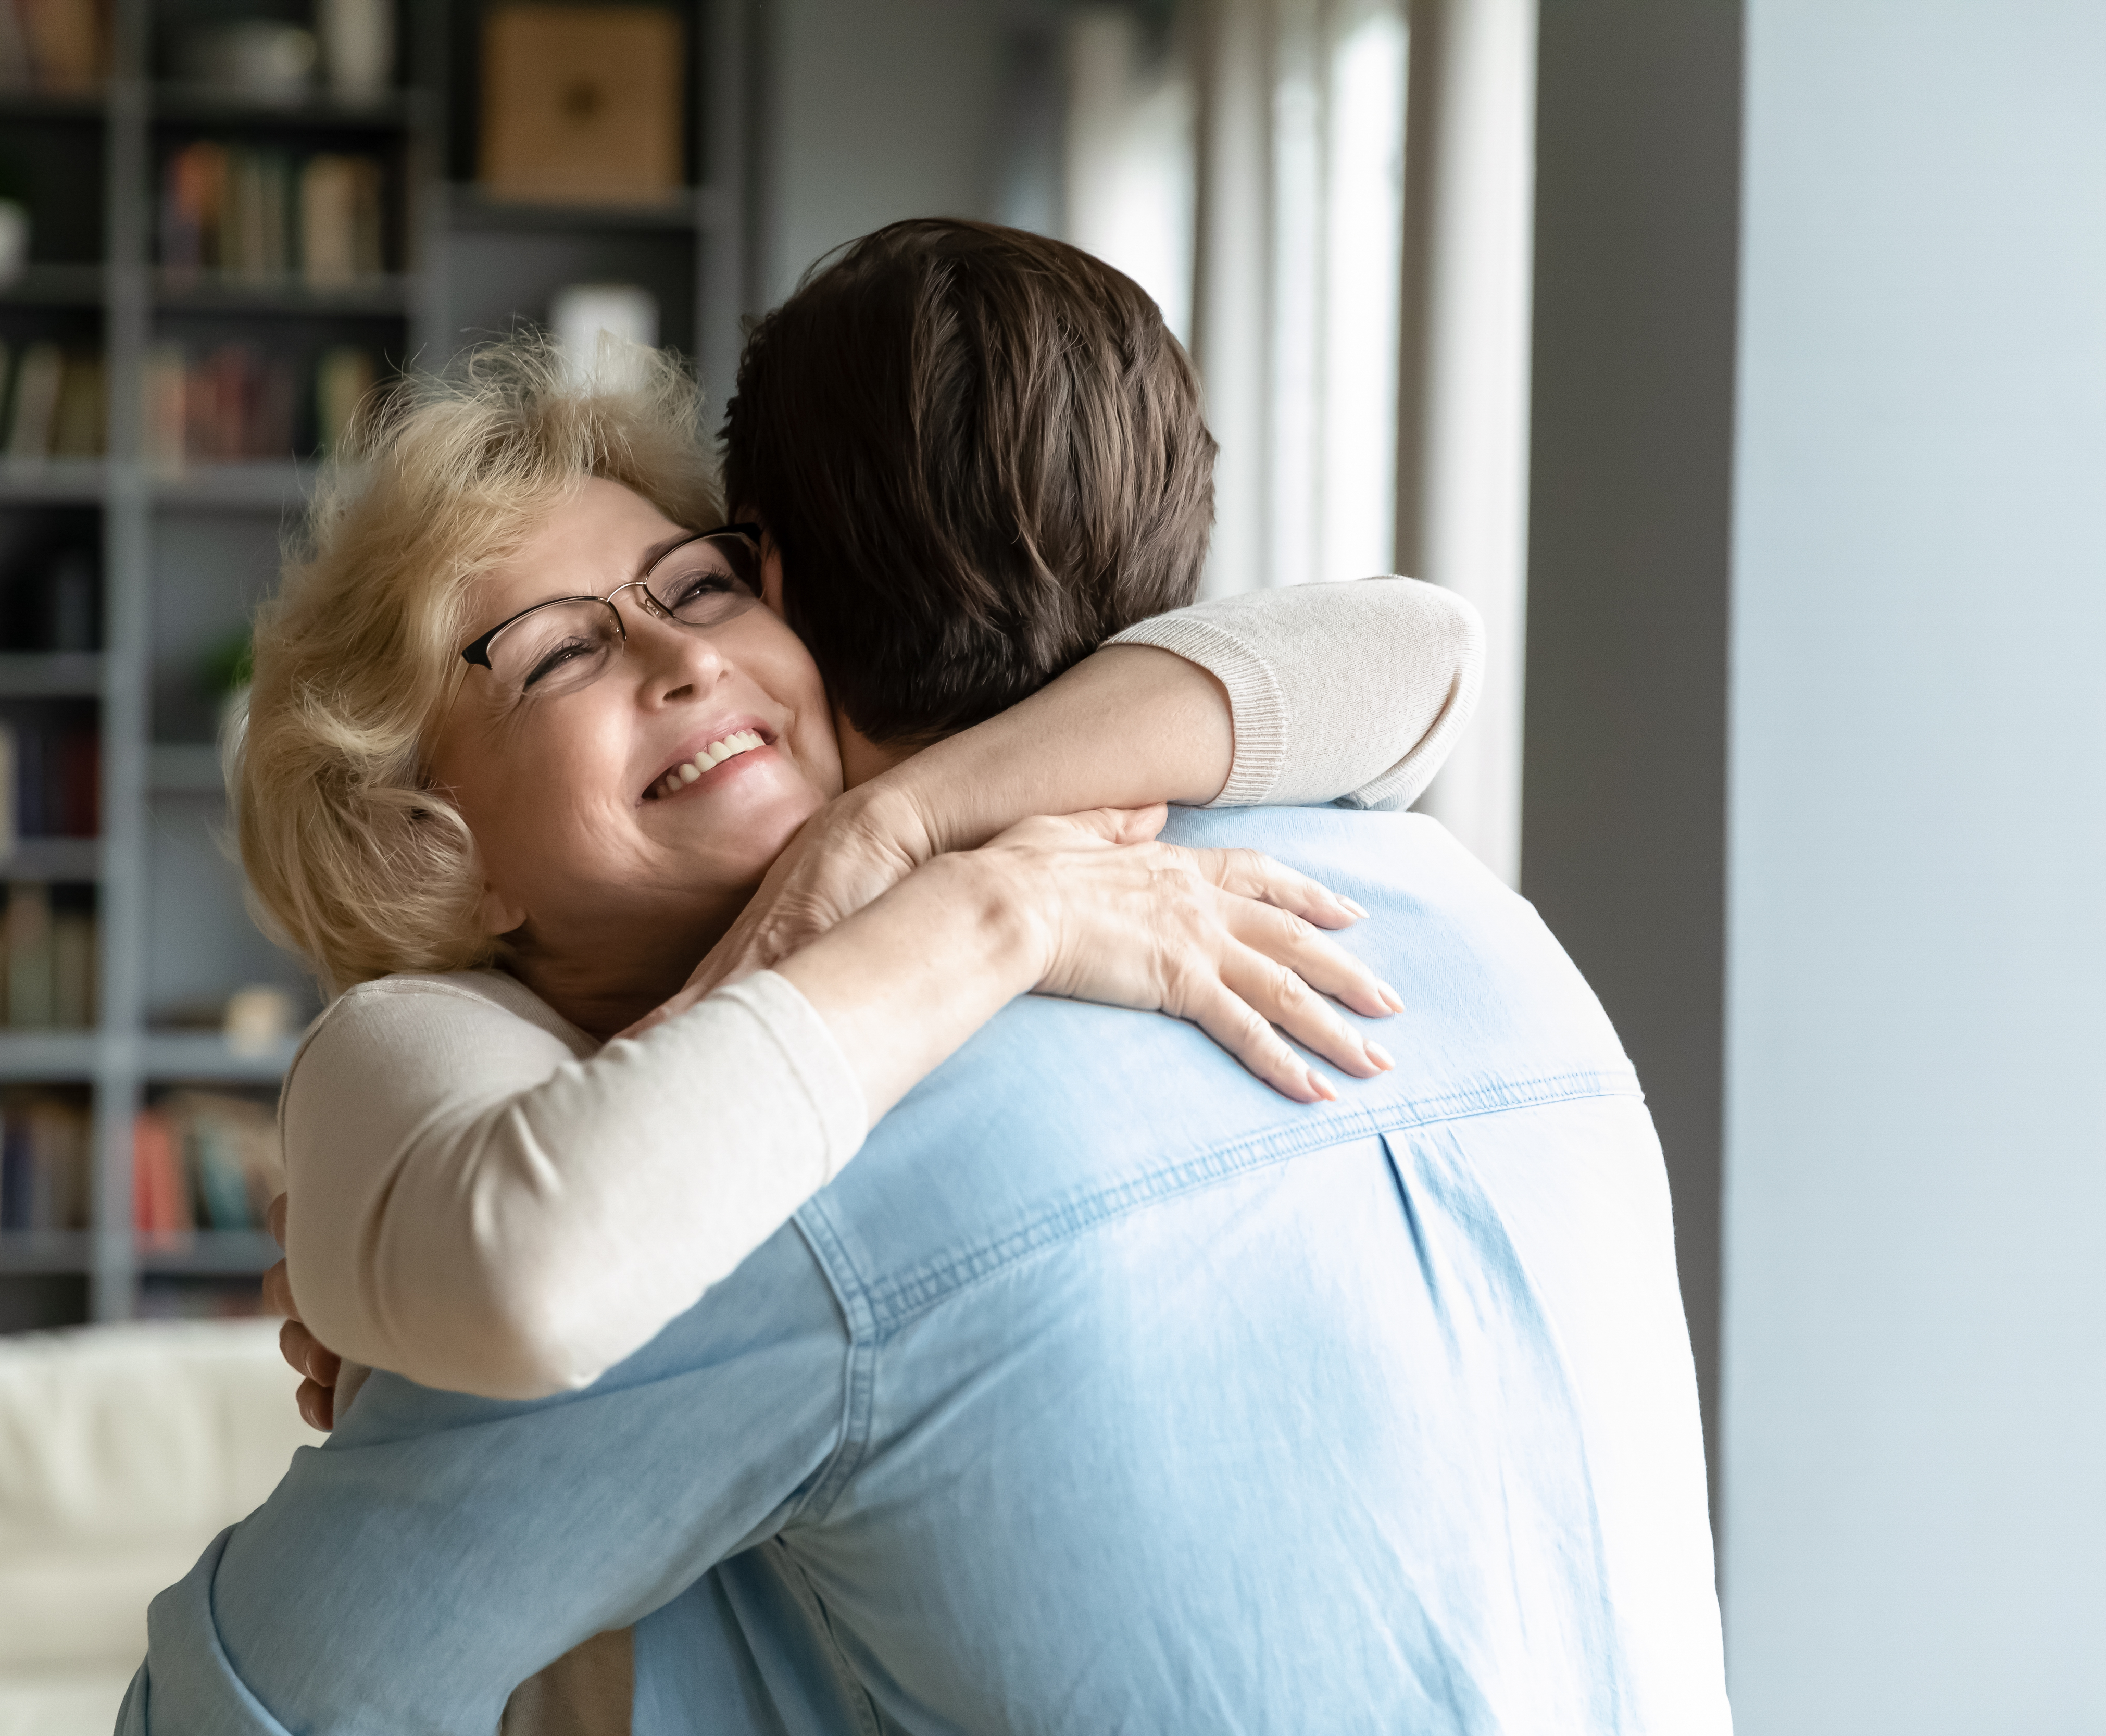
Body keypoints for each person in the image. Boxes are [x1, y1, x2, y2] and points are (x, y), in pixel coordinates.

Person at [123, 222, 1725, 1732]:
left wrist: (908, 849)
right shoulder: (1465, 914)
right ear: (425, 838)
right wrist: (964, 903)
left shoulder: (805, 1203)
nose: (686, 657)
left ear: (798, 609)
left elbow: (245, 1705)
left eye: (702, 586)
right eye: (559, 653)